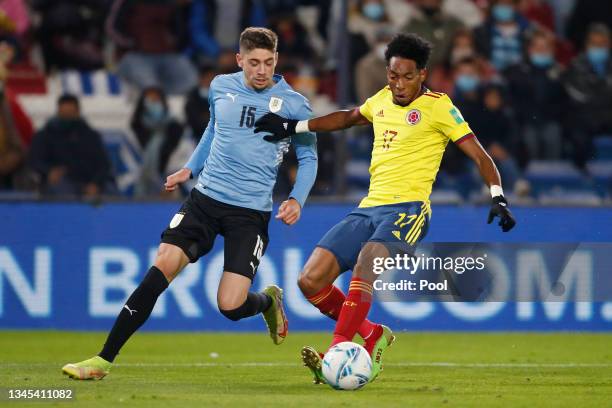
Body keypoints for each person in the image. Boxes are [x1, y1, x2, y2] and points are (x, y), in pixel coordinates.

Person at [254, 33, 516, 384]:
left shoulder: (439, 106)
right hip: (369, 207)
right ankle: (374, 334)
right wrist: (292, 126)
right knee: (310, 280)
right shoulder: (381, 100)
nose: (399, 84)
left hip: (408, 209)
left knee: (365, 264)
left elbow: (480, 155)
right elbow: (346, 118)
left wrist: (497, 195)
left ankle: (335, 354)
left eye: (408, 77)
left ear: (422, 74)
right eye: (393, 76)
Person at [62, 27, 318, 380]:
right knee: (162, 266)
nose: (262, 70)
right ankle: (103, 360)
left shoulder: (294, 104)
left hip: (250, 213)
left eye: (269, 62)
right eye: (254, 62)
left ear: (277, 60)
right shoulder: (220, 87)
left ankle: (268, 302)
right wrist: (189, 167)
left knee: (230, 305)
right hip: (205, 200)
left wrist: (296, 199)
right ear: (240, 59)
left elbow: (309, 158)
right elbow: (214, 129)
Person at [28, 94, 113, 197]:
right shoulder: (45, 135)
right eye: (64, 114)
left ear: (78, 112)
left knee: (111, 193)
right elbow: (35, 160)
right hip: (61, 180)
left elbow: (104, 165)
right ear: (58, 112)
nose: (67, 118)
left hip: (90, 181)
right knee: (63, 192)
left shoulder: (91, 136)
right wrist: (48, 171)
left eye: (70, 114)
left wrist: (96, 183)